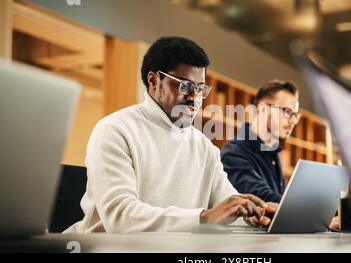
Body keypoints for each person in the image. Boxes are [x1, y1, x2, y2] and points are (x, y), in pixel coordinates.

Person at [65, 36, 275, 233]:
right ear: (154, 80)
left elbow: (226, 205)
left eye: (200, 88)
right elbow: (120, 217)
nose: (195, 97)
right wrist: (203, 218)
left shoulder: (204, 146)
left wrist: (255, 214)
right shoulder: (115, 130)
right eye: (185, 86)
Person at [221, 80, 300, 203]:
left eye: (295, 115)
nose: (293, 121)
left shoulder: (271, 152)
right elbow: (262, 200)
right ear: (263, 109)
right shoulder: (233, 153)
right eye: (287, 112)